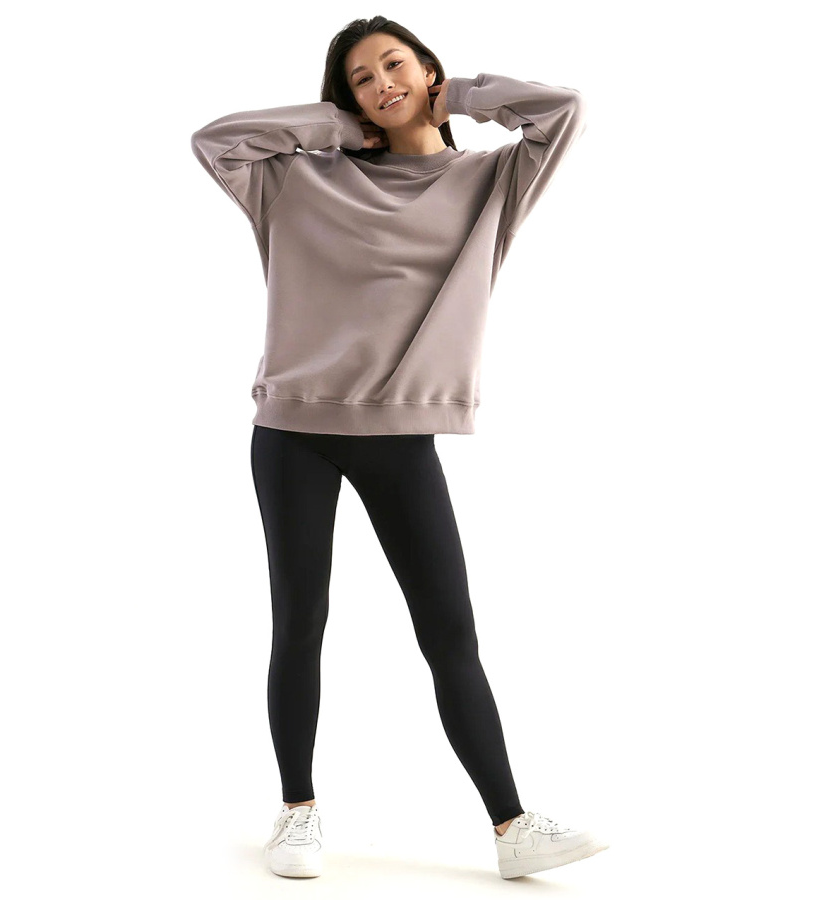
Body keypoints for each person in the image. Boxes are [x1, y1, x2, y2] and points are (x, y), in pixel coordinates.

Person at [191, 15, 608, 881]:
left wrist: (461, 97)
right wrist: (340, 127)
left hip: (398, 434)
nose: (381, 82)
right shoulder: (296, 180)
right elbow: (215, 142)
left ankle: (512, 827)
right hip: (293, 432)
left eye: (394, 64)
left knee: (450, 632)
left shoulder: (489, 182)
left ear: (427, 69)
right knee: (299, 622)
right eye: (360, 77)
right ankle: (296, 812)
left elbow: (561, 110)